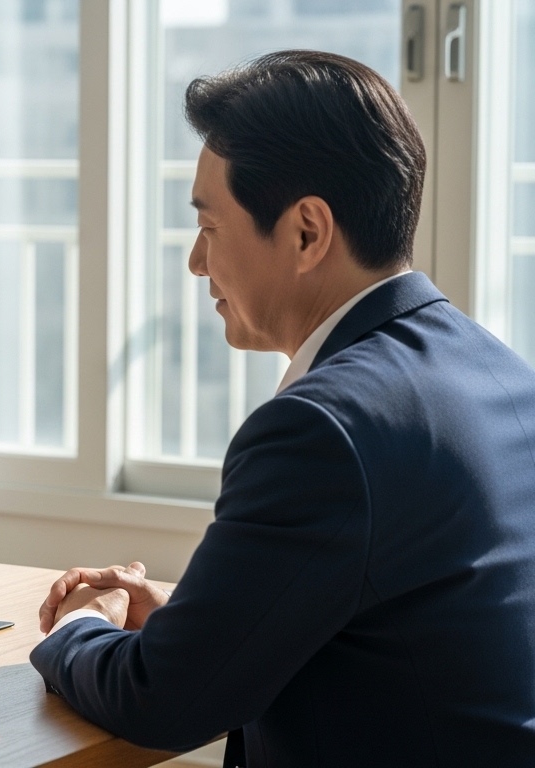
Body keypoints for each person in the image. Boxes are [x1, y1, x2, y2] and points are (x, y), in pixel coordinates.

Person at [31, 51, 535, 766]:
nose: (196, 264)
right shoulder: (500, 372)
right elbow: (404, 632)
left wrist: (76, 631)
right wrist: (190, 630)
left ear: (306, 232)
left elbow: (162, 701)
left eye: (209, 227)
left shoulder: (321, 428)